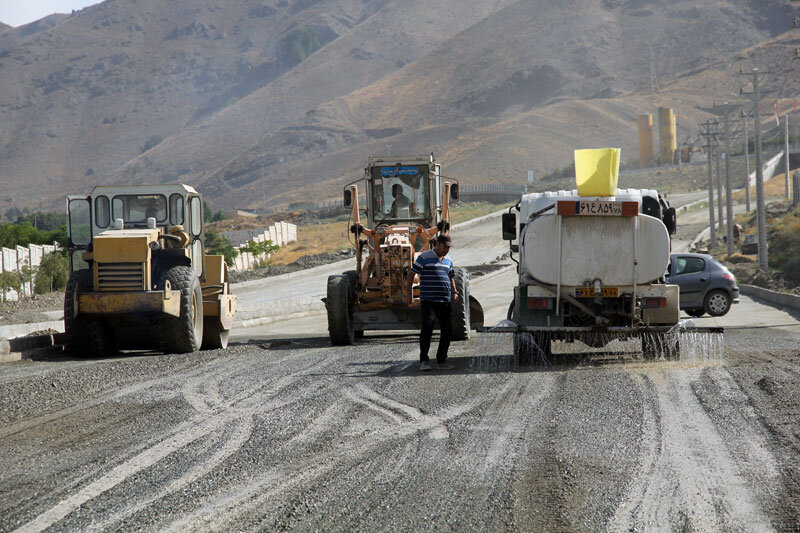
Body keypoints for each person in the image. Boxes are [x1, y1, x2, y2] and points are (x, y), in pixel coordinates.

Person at [406, 234, 459, 371]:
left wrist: (454, 292)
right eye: (445, 247)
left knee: (447, 330)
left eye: (449, 247)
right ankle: (424, 360)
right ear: (438, 244)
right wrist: (409, 294)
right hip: (428, 300)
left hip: (445, 300)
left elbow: (451, 276)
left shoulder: (448, 260)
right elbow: (412, 274)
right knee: (427, 329)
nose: (447, 249)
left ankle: (442, 359)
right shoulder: (424, 257)